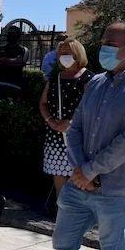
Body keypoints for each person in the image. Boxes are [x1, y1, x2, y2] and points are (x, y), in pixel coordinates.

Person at [32, 22, 125, 250]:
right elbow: (74, 129)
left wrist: (91, 171)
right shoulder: (98, 83)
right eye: (103, 40)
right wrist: (80, 170)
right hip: (79, 186)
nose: (103, 46)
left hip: (116, 189)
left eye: (110, 42)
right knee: (63, 243)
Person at [39, 37, 94, 199]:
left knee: (80, 182)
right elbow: (43, 103)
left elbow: (93, 109)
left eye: (68, 53)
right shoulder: (55, 78)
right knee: (60, 183)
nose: (64, 57)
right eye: (62, 53)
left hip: (80, 139)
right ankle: (61, 212)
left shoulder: (90, 79)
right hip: (56, 138)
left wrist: (71, 123)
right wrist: (50, 121)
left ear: (78, 54)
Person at [0, 26, 28, 93]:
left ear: (19, 36)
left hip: (15, 84)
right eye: (10, 34)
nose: (11, 36)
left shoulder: (23, 50)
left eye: (14, 34)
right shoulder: (0, 49)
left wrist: (4, 60)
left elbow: (20, 63)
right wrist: (13, 61)